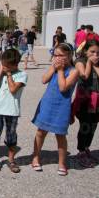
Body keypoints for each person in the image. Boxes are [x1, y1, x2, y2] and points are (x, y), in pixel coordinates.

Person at [30, 43, 79, 176]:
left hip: (62, 107)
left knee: (60, 135)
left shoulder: (74, 71)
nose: (57, 58)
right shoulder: (54, 67)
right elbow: (43, 80)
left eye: (61, 55)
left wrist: (61, 70)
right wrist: (53, 68)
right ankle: (35, 157)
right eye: (55, 55)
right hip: (47, 103)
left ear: (69, 56)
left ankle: (62, 162)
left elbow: (63, 88)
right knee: (40, 132)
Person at [0, 48, 27, 173]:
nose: (3, 66)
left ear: (15, 65)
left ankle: (11, 159)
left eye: (6, 65)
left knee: (11, 136)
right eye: (2, 64)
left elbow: (13, 89)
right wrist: (0, 71)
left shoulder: (22, 75)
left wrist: (9, 74)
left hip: (12, 110)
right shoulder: (1, 72)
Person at [72, 40, 99, 168]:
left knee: (93, 125)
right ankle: (81, 150)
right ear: (85, 51)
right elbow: (84, 75)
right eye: (92, 52)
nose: (96, 55)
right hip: (84, 99)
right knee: (85, 126)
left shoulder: (98, 64)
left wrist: (96, 66)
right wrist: (89, 62)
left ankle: (87, 148)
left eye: (98, 52)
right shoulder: (79, 62)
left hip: (96, 99)